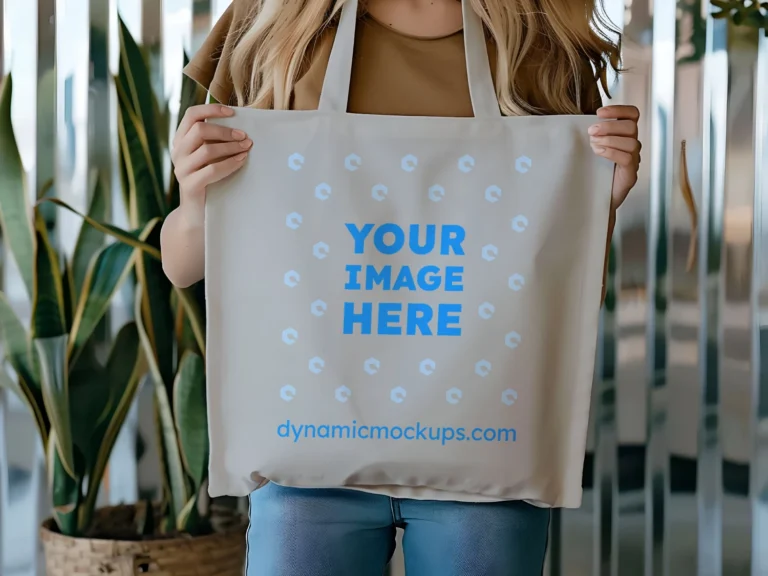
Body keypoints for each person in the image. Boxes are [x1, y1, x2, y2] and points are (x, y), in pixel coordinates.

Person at [160, 0, 641, 573]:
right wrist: (195, 203)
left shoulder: (542, 38)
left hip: (482, 470)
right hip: (308, 471)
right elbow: (182, 266)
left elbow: (564, 297)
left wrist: (598, 206)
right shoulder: (275, 23)